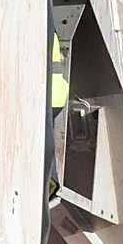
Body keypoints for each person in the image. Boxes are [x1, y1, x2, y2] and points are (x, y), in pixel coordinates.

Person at [48, 32, 69, 201]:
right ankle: (50, 184)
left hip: (50, 94)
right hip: (54, 93)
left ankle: (50, 184)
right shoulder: (49, 27)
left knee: (44, 142)